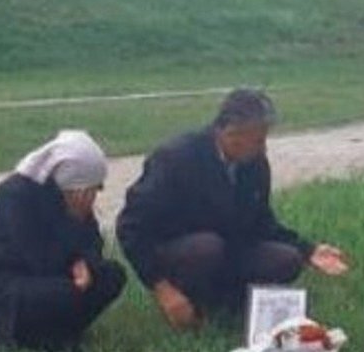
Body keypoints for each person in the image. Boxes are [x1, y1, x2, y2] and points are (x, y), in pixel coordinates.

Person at [116, 88, 349, 330]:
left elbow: (262, 222)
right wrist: (162, 289)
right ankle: (190, 302)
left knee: (287, 259)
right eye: (258, 140)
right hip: (182, 252)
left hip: (229, 248)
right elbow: (130, 227)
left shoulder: (255, 164)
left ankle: (227, 302)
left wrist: (308, 250)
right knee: (207, 247)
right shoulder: (175, 158)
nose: (264, 148)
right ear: (231, 134)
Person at [0, 130, 126, 350]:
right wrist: (74, 260)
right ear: (77, 186)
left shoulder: (72, 202)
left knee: (112, 275)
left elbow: (93, 243)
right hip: (1, 287)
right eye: (94, 188)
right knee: (65, 292)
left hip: (49, 277)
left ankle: (62, 333)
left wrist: (86, 263)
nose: (94, 195)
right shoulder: (15, 196)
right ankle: (31, 337)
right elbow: (40, 260)